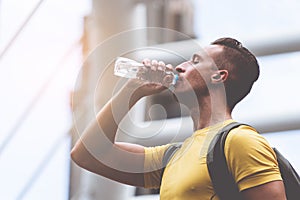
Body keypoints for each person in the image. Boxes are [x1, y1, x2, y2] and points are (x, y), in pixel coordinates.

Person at [71, 37, 286, 199]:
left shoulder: (240, 141)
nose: (180, 66)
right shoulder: (173, 157)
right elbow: (87, 155)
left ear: (217, 76)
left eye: (194, 61)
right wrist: (131, 92)